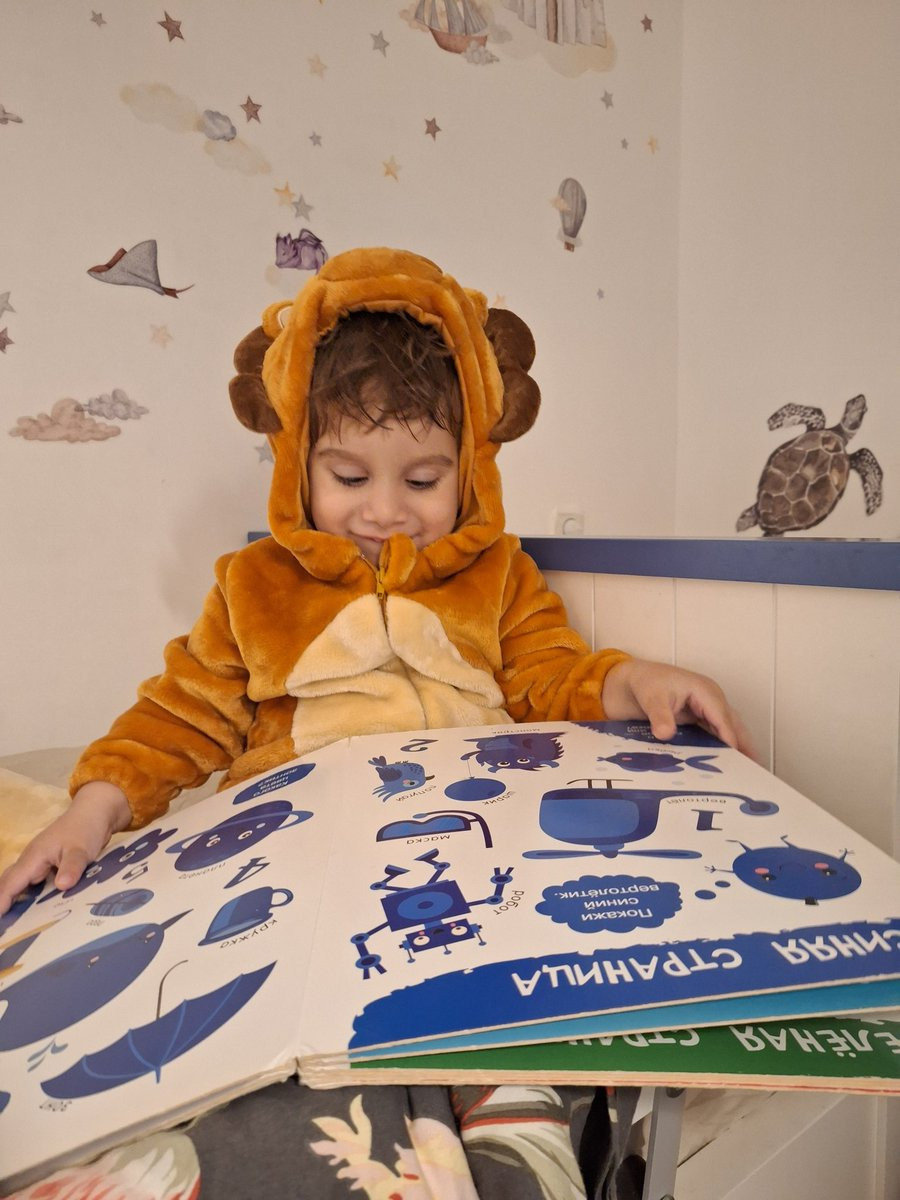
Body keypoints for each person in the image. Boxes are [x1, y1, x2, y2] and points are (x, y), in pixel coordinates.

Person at [0, 247, 752, 1198]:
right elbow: (177, 719)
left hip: (471, 862)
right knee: (260, 1057)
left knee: (498, 1061)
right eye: (349, 476)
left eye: (424, 481)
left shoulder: (499, 576)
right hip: (301, 868)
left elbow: (552, 678)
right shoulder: (254, 587)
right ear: (297, 465)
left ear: (469, 471)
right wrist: (91, 810)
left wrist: (637, 679)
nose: (386, 513)